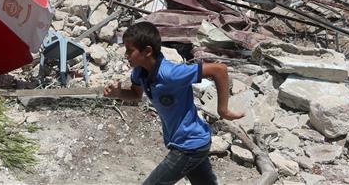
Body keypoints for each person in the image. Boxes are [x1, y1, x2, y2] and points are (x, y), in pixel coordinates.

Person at [104, 21, 244, 185]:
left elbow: (219, 70)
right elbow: (136, 94)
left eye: (130, 50)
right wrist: (119, 93)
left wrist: (223, 110)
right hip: (194, 142)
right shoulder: (139, 72)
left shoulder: (171, 73)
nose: (126, 54)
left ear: (147, 51)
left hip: (189, 146)